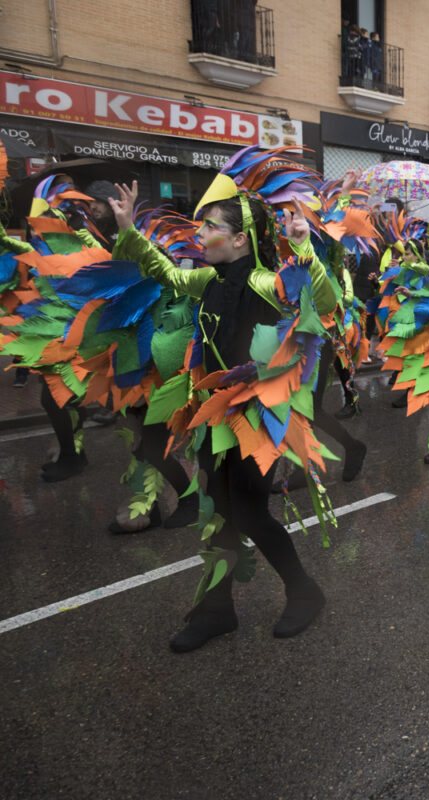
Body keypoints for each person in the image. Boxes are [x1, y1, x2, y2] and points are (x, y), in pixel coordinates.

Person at [107, 177, 336, 652]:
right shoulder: (208, 279)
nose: (200, 236)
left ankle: (303, 590)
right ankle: (217, 610)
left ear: (238, 239)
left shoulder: (264, 282)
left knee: (249, 512)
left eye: (209, 228)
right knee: (217, 512)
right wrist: (130, 229)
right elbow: (166, 273)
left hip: (256, 418)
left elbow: (323, 303)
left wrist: (304, 250)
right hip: (214, 413)